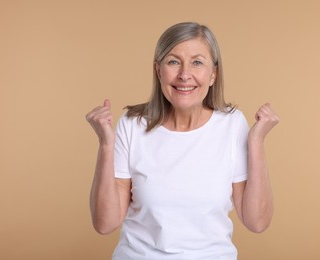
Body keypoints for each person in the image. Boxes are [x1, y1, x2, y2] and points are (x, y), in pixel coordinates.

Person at [85, 22, 280, 260]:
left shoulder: (232, 124)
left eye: (197, 62)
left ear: (213, 74)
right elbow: (105, 224)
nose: (184, 74)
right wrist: (105, 145)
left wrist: (256, 141)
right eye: (173, 61)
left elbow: (257, 222)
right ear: (158, 70)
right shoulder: (132, 124)